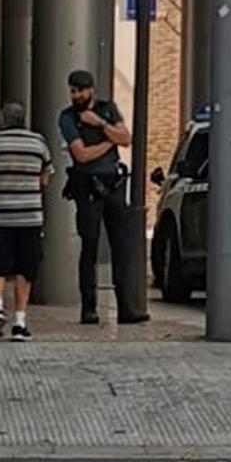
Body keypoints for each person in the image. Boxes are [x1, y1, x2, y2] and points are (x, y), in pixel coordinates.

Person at [58, 69, 149, 325]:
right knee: (90, 247)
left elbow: (126, 138)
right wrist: (110, 143)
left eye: (80, 90)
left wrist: (100, 125)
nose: (75, 95)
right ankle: (89, 309)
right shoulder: (68, 118)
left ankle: (126, 308)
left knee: (121, 246)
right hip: (87, 187)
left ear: (91, 90)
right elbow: (82, 155)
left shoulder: (107, 109)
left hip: (114, 185)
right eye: (73, 90)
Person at [0, 101, 53, 341]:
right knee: (25, 269)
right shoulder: (39, 142)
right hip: (30, 217)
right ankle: (19, 323)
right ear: (23, 118)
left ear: (2, 119)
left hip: (0, 217)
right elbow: (45, 179)